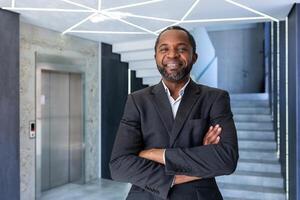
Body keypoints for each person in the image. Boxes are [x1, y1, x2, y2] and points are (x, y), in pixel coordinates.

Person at [110, 26, 239, 200]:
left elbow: (226, 160)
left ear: (194, 57)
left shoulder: (215, 98)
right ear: (155, 57)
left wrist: (155, 154)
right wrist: (196, 164)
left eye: (181, 49)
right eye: (164, 49)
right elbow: (119, 166)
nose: (172, 55)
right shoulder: (137, 100)